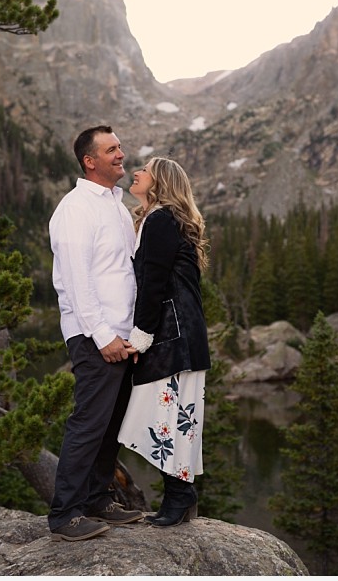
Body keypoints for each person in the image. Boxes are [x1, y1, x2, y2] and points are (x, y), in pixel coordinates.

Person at [46, 125, 145, 542]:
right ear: (90, 161)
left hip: (123, 337)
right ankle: (64, 514)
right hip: (94, 337)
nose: (121, 154)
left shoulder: (117, 207)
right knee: (88, 423)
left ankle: (98, 499)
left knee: (111, 425)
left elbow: (126, 271)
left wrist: (133, 335)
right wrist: (103, 336)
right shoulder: (75, 208)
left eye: (120, 147)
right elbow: (76, 279)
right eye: (111, 149)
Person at [120, 156, 212, 527]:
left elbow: (154, 283)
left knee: (167, 417)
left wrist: (140, 338)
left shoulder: (160, 220)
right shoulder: (159, 219)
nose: (137, 172)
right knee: (175, 418)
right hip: (182, 334)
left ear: (161, 182)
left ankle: (179, 495)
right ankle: (180, 496)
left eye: (146, 169)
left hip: (173, 335)